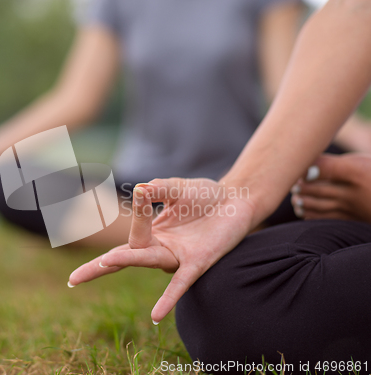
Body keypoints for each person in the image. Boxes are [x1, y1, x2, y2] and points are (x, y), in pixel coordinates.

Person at [0, 0, 371, 246]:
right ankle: (172, 236)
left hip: (247, 183)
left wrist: (361, 145)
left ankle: (230, 224)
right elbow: (76, 98)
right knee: (9, 181)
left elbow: (289, 89)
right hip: (146, 189)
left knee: (336, 167)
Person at [69, 0, 371, 370]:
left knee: (250, 314)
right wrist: (238, 198)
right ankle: (198, 221)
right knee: (14, 183)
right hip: (147, 179)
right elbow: (355, 13)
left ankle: (229, 221)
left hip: (236, 161)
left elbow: (281, 83)